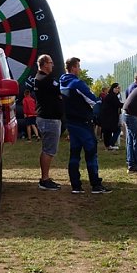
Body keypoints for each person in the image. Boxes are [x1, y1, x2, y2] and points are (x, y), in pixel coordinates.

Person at [60, 57, 111, 194]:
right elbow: (93, 101)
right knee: (91, 154)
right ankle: (95, 184)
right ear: (73, 68)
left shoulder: (62, 82)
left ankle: (76, 185)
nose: (80, 69)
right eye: (78, 67)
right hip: (83, 123)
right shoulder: (77, 83)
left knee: (74, 154)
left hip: (71, 122)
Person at [34, 54, 63, 191]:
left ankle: (45, 178)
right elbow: (60, 92)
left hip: (47, 118)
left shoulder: (40, 78)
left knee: (47, 149)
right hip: (49, 119)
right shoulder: (45, 79)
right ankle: (44, 179)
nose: (52, 65)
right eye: (51, 62)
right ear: (45, 64)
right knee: (49, 150)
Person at [99, 83, 124, 149]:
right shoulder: (112, 96)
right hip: (109, 117)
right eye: (116, 88)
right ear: (113, 88)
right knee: (116, 130)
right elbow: (118, 104)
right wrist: (127, 104)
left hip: (108, 117)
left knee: (108, 132)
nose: (117, 89)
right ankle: (110, 144)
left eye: (118, 88)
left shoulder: (111, 95)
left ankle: (108, 145)